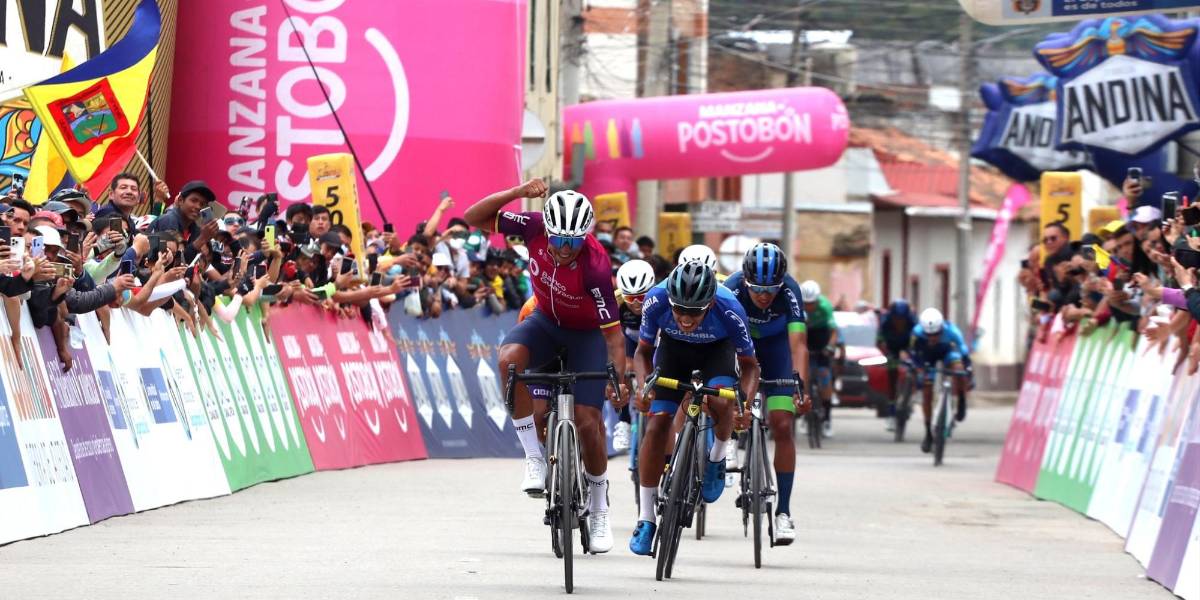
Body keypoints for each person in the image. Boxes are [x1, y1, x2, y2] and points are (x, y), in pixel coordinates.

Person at [464, 179, 628, 554]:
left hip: (586, 335)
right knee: (508, 361)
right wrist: (516, 191)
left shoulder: (597, 266)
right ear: (548, 230)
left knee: (589, 422)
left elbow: (615, 336)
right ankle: (535, 459)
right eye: (559, 240)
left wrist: (617, 379)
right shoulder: (533, 226)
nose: (565, 249)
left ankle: (600, 508)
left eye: (574, 241)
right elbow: (474, 216)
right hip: (544, 322)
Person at [629, 261, 760, 555]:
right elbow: (643, 352)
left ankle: (716, 459)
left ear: (710, 303)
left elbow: (751, 367)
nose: (686, 319)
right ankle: (646, 518)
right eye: (679, 311)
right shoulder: (656, 300)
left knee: (721, 400)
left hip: (717, 352)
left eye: (695, 312)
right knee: (657, 423)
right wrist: (642, 387)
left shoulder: (729, 308)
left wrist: (745, 405)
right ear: (670, 302)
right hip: (673, 352)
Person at [723, 242, 809, 545]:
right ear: (745, 281)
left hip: (776, 352)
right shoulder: (731, 288)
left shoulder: (790, 291)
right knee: (728, 399)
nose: (763, 296)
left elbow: (798, 343)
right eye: (757, 289)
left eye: (770, 289)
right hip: (739, 348)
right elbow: (719, 340)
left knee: (783, 425)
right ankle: (729, 441)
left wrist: (799, 385)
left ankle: (783, 513)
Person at [910, 308, 971, 453]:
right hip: (927, 356)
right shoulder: (916, 333)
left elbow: (964, 353)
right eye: (928, 335)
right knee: (926, 391)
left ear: (941, 328)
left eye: (936, 334)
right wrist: (918, 368)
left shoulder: (952, 332)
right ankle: (928, 433)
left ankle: (961, 398)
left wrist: (966, 369)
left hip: (947, 352)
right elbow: (912, 353)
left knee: (958, 369)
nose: (932, 338)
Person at [611, 259, 656, 452]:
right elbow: (610, 337)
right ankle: (624, 422)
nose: (637, 304)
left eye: (641, 297)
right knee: (626, 368)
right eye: (630, 299)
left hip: (656, 339)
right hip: (629, 339)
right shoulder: (615, 301)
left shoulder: (661, 297)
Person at [799, 279, 837, 438]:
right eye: (806, 303)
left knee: (824, 376)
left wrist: (830, 347)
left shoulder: (825, 306)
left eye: (812, 303)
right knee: (804, 376)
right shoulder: (797, 306)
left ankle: (827, 418)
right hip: (805, 336)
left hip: (821, 338)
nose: (809, 306)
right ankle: (805, 412)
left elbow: (834, 332)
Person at [877, 299, 916, 431]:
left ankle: (909, 396)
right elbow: (879, 341)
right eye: (896, 319)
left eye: (902, 319)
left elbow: (917, 341)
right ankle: (892, 410)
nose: (899, 322)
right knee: (892, 376)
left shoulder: (912, 322)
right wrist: (886, 352)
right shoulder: (885, 322)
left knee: (913, 370)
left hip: (907, 348)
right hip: (891, 349)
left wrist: (910, 352)